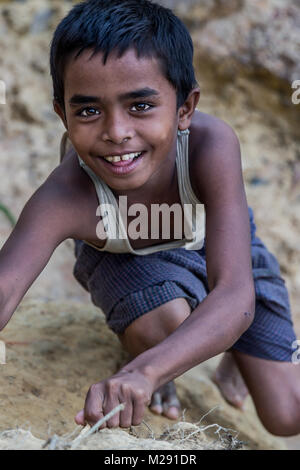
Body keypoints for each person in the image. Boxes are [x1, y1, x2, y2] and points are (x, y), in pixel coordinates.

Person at [0, 0, 299, 437]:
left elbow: (235, 292)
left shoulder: (209, 147)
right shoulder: (69, 194)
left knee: (287, 414)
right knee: (167, 329)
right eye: (87, 111)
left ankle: (230, 350)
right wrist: (150, 370)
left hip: (219, 249)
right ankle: (161, 358)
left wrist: (143, 373)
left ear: (185, 107)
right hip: (132, 262)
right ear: (62, 114)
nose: (117, 132)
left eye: (140, 106)